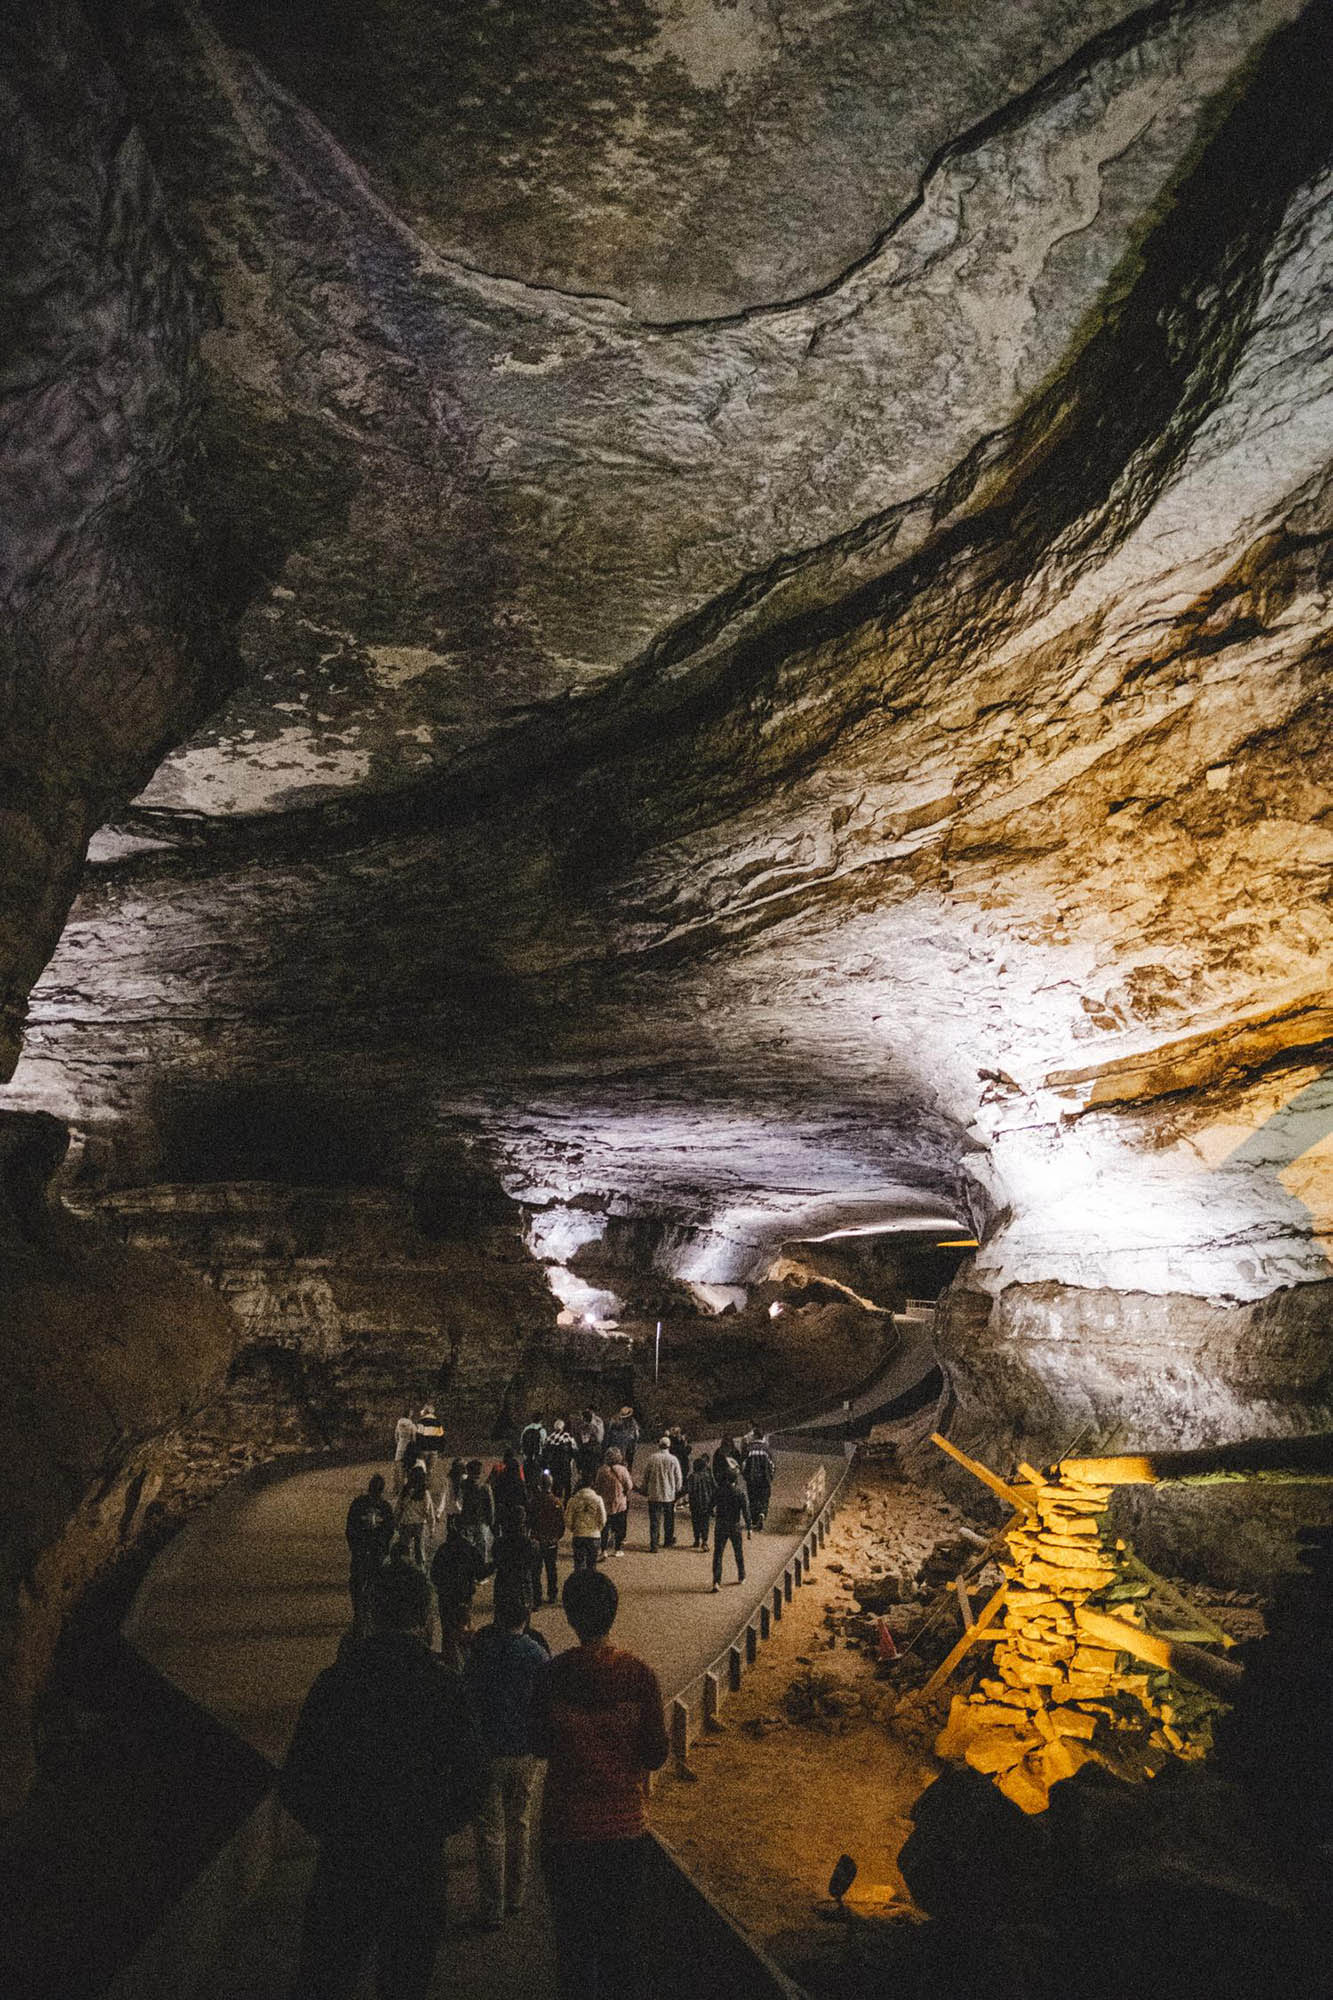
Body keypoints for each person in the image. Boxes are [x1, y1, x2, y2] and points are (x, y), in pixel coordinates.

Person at [280, 1563, 488, 2000]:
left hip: (345, 1864)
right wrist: (429, 1825)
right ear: (427, 1618)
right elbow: (473, 1782)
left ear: (371, 1615)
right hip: (416, 1866)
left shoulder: (336, 1683)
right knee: (404, 1982)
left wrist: (340, 1827)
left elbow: (297, 1781)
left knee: (329, 1978)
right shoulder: (444, 1688)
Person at [532, 1568, 669, 2000]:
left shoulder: (553, 1676)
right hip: (624, 1830)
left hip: (567, 1830)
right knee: (621, 1948)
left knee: (574, 1949)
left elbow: (537, 1742)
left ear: (571, 1617)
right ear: (613, 1613)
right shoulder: (639, 1676)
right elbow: (655, 1754)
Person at [464, 1581, 551, 1931]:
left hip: (488, 1750)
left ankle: (492, 1906)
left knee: (489, 1830)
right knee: (520, 1822)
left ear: (497, 1615)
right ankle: (517, 1896)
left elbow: (467, 1697)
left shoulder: (482, 1652)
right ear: (527, 1615)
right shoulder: (538, 1655)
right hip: (526, 1750)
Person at [431, 1517, 488, 1669]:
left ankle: (449, 1664)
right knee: (464, 1630)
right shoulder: (469, 1549)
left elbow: (434, 1574)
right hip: (464, 1596)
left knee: (447, 1631)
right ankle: (465, 1664)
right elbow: (481, 1573)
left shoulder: (443, 1550)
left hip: (446, 1596)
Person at [345, 1473, 395, 1636]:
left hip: (361, 1549)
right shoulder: (385, 1507)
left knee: (357, 1583)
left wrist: (355, 1546)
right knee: (377, 1583)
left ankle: (360, 1614)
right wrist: (383, 1546)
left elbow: (350, 1527)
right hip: (376, 1551)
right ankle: (372, 1615)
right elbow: (389, 1530)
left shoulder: (358, 1503)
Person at [711, 1461, 751, 1591]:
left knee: (718, 1554)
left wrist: (713, 1514)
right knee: (738, 1551)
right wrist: (749, 1527)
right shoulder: (740, 1493)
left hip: (721, 1524)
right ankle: (741, 1576)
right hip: (735, 1525)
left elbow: (709, 1506)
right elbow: (745, 1511)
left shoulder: (719, 1491)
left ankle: (716, 1581)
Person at [493, 1502, 538, 1615]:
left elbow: (495, 1559)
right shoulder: (530, 1544)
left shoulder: (500, 1542)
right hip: (522, 1585)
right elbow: (534, 1564)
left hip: (503, 1584)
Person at [528, 1470, 566, 1604]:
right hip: (551, 1541)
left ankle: (537, 1597)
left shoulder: (534, 1501)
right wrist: (557, 1537)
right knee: (551, 1569)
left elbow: (529, 1521)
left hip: (537, 1540)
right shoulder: (557, 1502)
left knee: (536, 1571)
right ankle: (552, 1594)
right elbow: (562, 1523)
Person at [640, 1436, 682, 1552]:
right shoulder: (673, 1459)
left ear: (659, 1445)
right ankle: (668, 1540)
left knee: (654, 1520)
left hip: (654, 1493)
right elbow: (678, 1477)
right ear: (669, 1446)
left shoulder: (652, 1458)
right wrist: (677, 1489)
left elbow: (646, 1475)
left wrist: (644, 1488)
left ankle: (654, 1544)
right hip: (668, 1494)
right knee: (669, 1519)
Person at [394, 1461, 437, 1569]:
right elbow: (429, 1511)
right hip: (420, 1525)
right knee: (420, 1550)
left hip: (406, 1523)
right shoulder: (425, 1493)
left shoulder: (405, 1492)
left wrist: (395, 1521)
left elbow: (398, 1508)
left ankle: (404, 1570)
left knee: (405, 1549)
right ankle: (421, 1571)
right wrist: (432, 1528)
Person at [595, 1446, 633, 1557]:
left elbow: (597, 1486)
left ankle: (603, 1550)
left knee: (605, 1527)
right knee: (619, 1527)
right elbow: (629, 1485)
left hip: (605, 1502)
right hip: (620, 1502)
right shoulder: (622, 1470)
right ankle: (617, 1549)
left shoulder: (602, 1470)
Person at [565, 1477, 607, 1571]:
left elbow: (567, 1519)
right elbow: (603, 1519)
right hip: (594, 1535)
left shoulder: (573, 1500)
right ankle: (590, 1584)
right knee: (592, 1565)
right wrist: (598, 1529)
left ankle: (580, 1584)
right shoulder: (598, 1499)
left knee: (579, 1564)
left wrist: (573, 1528)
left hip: (579, 1534)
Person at [459, 1458, 495, 1568]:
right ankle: (480, 1568)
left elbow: (459, 1502)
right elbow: (490, 1506)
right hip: (481, 1521)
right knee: (481, 1546)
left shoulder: (464, 1485)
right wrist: (491, 1520)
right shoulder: (485, 1488)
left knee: (468, 1545)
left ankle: (468, 1567)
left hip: (467, 1520)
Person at [741, 1432, 776, 1530]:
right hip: (765, 1480)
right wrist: (770, 1476)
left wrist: (745, 1476)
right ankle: (762, 1514)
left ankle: (755, 1520)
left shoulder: (748, 1449)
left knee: (753, 1500)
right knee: (764, 1499)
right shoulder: (767, 1450)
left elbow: (743, 1465)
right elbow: (772, 1465)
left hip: (752, 1480)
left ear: (755, 1436)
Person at [685, 1453, 716, 1550]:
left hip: (695, 1503)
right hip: (707, 1503)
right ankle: (705, 1541)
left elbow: (688, 1489)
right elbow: (714, 1487)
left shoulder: (692, 1477)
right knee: (705, 1523)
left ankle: (696, 1539)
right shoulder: (708, 1476)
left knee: (695, 1522)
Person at [542, 1417, 577, 1501]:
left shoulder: (549, 1438)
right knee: (567, 1484)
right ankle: (566, 1501)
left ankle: (556, 1499)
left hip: (553, 1465)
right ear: (563, 1427)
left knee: (555, 1483)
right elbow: (575, 1449)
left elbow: (545, 1452)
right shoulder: (567, 1437)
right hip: (565, 1465)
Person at [490, 1448, 526, 1516]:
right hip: (515, 1506)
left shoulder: (500, 1469)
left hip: (504, 1505)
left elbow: (491, 1483)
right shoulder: (517, 1468)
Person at [605, 1404, 641, 1473]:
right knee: (626, 1460)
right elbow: (636, 1435)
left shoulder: (631, 1423)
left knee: (625, 1460)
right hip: (626, 1444)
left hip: (627, 1444)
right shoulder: (630, 1423)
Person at [414, 1402, 445, 1477]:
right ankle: (429, 1487)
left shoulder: (421, 1421)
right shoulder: (438, 1422)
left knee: (421, 1471)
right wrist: (441, 1449)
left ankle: (422, 1486)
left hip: (423, 1450)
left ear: (425, 1411)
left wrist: (417, 1448)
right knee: (430, 1472)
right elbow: (441, 1437)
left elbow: (418, 1435)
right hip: (434, 1450)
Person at [391, 1409, 417, 1497]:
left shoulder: (399, 1424)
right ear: (409, 1415)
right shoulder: (412, 1425)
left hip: (400, 1448)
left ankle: (397, 1489)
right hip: (408, 1449)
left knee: (398, 1470)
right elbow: (414, 1438)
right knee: (409, 1470)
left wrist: (399, 1443)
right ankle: (407, 1489)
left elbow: (396, 1437)